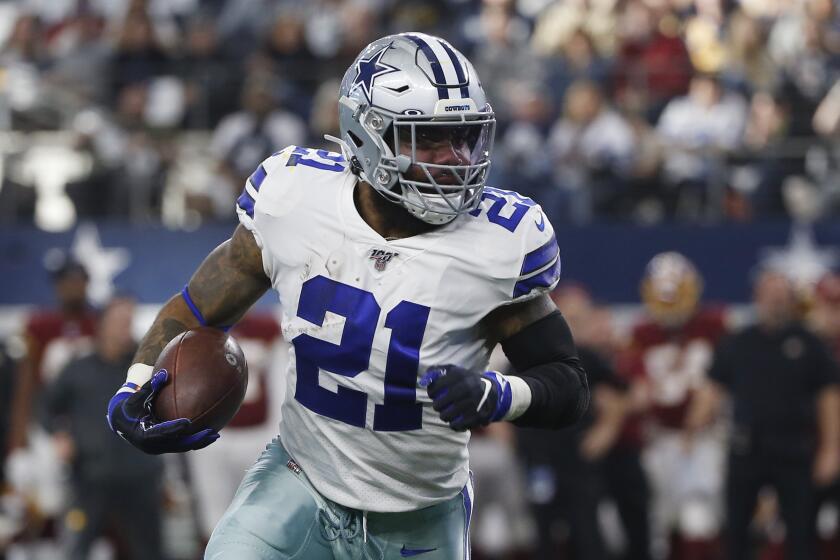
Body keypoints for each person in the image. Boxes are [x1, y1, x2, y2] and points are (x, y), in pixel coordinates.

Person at [106, 32, 590, 560]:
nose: (456, 158)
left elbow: (567, 383)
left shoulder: (500, 243)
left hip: (420, 513)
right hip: (298, 481)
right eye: (429, 139)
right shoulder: (295, 199)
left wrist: (499, 395)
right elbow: (196, 310)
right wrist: (136, 383)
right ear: (368, 134)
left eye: (466, 137)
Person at [687, 269, 840, 560]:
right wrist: (693, 425)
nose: (775, 302)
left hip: (794, 449)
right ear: (756, 298)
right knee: (736, 530)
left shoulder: (809, 343)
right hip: (746, 448)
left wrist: (832, 448)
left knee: (800, 531)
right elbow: (713, 386)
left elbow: (829, 395)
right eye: (770, 296)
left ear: (791, 300)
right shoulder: (738, 341)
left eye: (781, 296)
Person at [622, 252, 729, 560]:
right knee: (659, 521)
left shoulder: (715, 324)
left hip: (704, 437)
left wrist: (702, 415)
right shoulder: (641, 334)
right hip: (659, 437)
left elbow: (722, 383)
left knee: (698, 516)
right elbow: (638, 390)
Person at [41, 295, 164, 560]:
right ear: (102, 324)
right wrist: (59, 435)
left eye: (129, 321)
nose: (125, 327)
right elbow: (46, 407)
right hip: (89, 476)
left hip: (139, 475)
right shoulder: (78, 368)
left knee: (150, 551)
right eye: (119, 320)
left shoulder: (146, 370)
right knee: (77, 548)